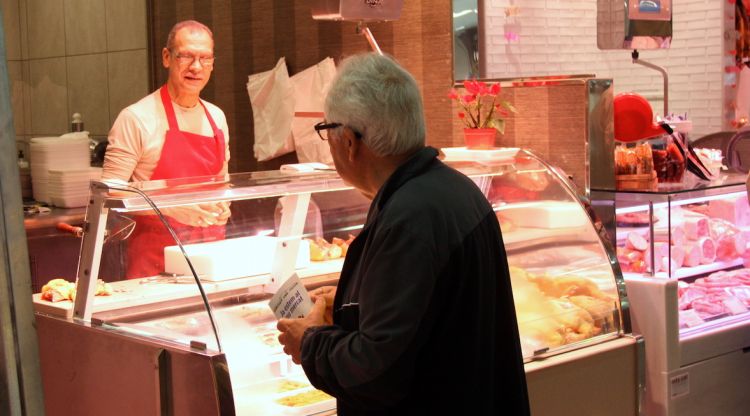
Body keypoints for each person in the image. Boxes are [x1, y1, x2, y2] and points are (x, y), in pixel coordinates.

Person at [276, 53, 530, 415]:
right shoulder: (452, 188)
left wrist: (311, 343)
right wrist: (356, 304)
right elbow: (427, 319)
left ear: (348, 141)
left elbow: (378, 374)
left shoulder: (409, 217)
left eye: (326, 130)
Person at [103, 20, 230, 279]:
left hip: (210, 263)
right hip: (154, 268)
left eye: (204, 58)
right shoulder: (136, 118)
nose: (196, 67)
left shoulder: (216, 117)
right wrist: (172, 208)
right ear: (166, 57)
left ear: (212, 64)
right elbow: (108, 194)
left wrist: (224, 206)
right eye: (186, 56)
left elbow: (223, 183)